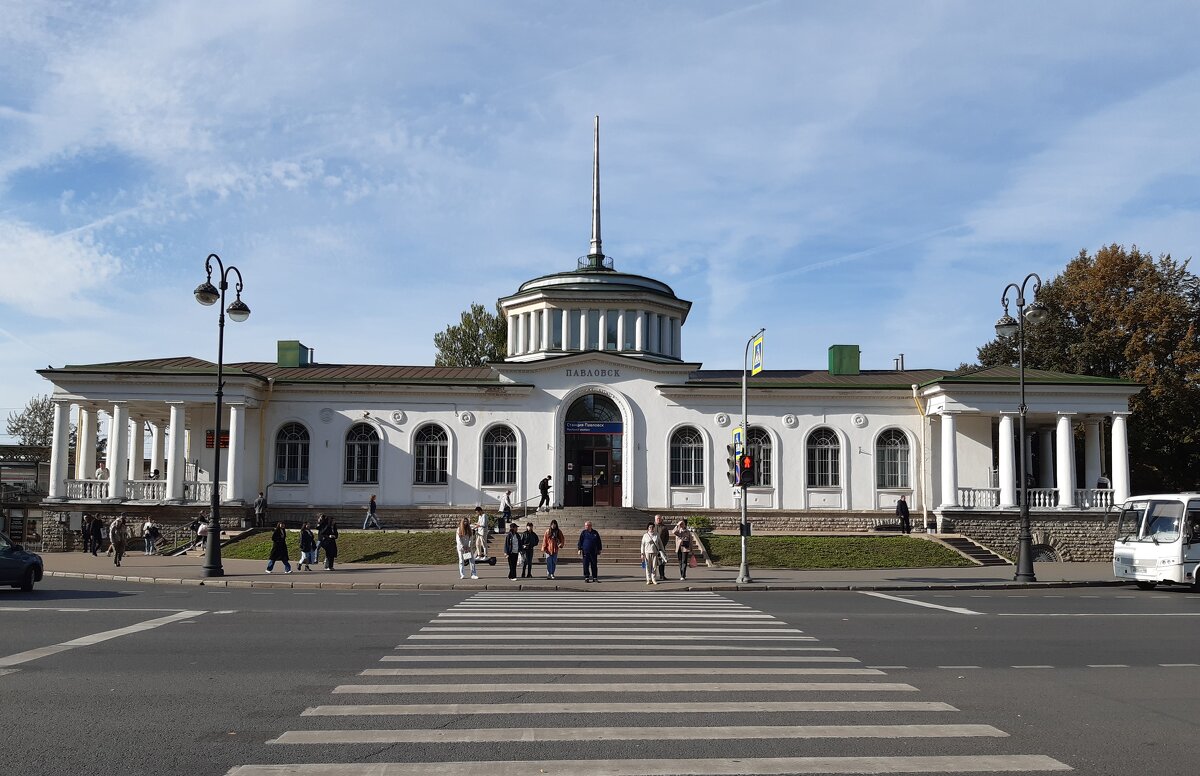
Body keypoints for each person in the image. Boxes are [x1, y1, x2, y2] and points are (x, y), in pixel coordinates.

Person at [654, 514, 671, 580]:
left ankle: (662, 575)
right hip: (653, 548)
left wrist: (663, 545)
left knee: (662, 562)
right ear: (655, 519)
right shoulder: (652, 527)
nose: (658, 520)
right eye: (657, 519)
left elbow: (667, 537)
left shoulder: (664, 527)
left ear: (661, 519)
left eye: (659, 518)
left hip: (661, 548)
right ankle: (653, 576)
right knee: (653, 563)